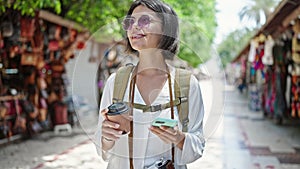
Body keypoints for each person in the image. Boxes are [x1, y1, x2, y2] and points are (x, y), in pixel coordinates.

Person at [94, 0, 205, 168]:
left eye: (145, 20)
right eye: (130, 22)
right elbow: (103, 148)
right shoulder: (116, 82)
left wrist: (178, 138)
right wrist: (107, 136)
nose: (134, 27)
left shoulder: (187, 84)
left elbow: (198, 146)